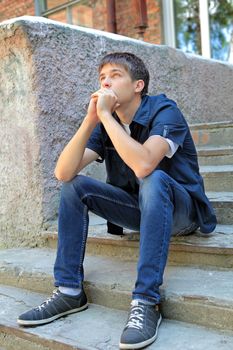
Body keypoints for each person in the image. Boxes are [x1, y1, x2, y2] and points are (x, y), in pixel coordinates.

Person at [17, 52, 217, 349]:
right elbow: (63, 172)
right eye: (101, 78)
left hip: (180, 211)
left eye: (114, 75)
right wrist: (90, 120)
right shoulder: (106, 124)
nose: (105, 82)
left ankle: (147, 301)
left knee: (155, 178)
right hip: (140, 210)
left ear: (138, 85)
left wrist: (107, 116)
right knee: (74, 186)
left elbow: (144, 165)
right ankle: (70, 291)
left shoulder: (165, 111)